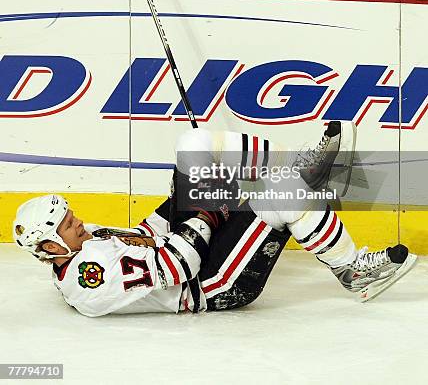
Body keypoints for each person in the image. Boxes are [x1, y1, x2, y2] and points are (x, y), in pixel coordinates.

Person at [13, 122, 416, 317]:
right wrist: (207, 211)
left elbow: (145, 238)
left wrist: (178, 200)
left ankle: (299, 165)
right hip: (211, 283)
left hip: (196, 251)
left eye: (71, 216)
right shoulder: (90, 281)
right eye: (68, 225)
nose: (78, 222)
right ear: (50, 247)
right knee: (281, 192)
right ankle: (352, 271)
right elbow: (175, 265)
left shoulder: (81, 247)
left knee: (193, 146)